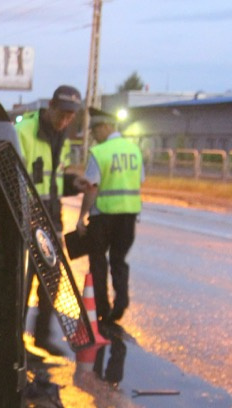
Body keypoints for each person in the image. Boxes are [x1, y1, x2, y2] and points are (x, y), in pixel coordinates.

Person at [15, 85, 83, 349]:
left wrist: (73, 183)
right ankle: (15, 339)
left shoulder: (61, 136)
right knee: (20, 282)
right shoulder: (24, 133)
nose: (66, 120)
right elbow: (15, 177)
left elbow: (50, 182)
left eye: (71, 116)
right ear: (51, 106)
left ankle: (42, 337)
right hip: (26, 216)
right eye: (63, 113)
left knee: (50, 278)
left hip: (51, 217)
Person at [76, 107, 144, 327]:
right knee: (119, 260)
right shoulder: (134, 150)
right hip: (129, 216)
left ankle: (102, 309)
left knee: (98, 260)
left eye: (95, 130)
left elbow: (91, 187)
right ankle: (121, 301)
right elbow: (140, 180)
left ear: (105, 126)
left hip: (102, 215)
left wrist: (81, 217)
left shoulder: (100, 152)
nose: (93, 136)